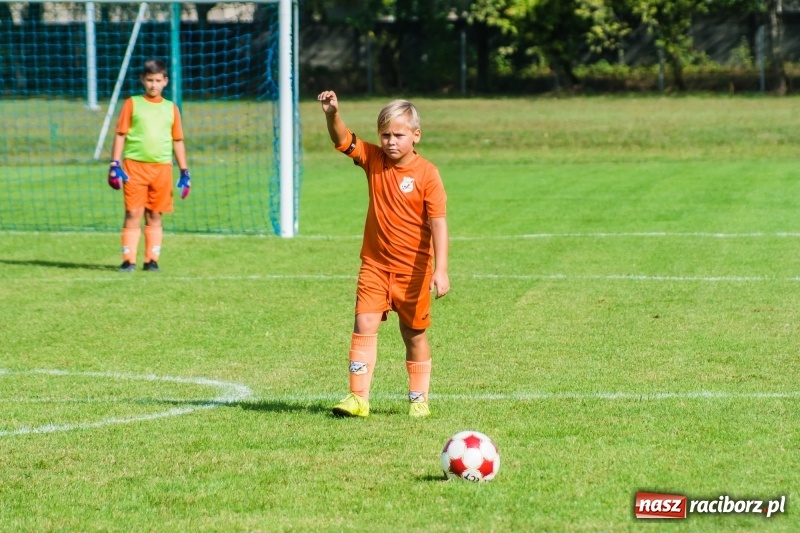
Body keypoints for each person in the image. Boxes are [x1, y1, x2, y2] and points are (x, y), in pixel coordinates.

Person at [318, 90, 450, 418]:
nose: (391, 142)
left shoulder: (428, 174)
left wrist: (441, 269)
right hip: (375, 265)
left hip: (413, 271)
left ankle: (419, 399)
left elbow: (438, 224)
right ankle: (358, 398)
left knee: (414, 334)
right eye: (386, 135)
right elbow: (344, 139)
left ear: (416, 135)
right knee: (364, 322)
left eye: (399, 135)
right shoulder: (373, 159)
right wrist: (332, 113)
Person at [107, 58, 192, 273]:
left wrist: (184, 170)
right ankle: (128, 260)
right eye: (149, 80)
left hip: (162, 168)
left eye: (157, 80)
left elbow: (178, 140)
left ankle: (151, 260)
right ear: (142, 80)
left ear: (165, 81)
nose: (153, 85)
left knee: (155, 214)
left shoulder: (171, 108)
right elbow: (120, 134)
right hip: (134, 167)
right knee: (133, 212)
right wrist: (114, 164)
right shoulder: (132, 103)